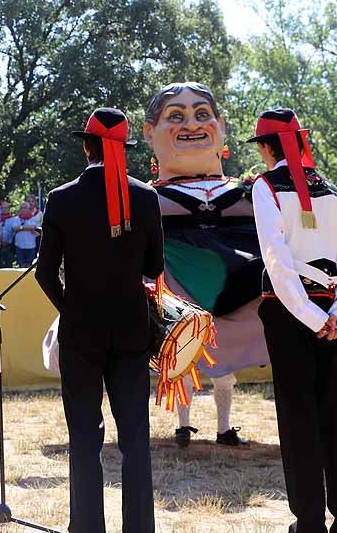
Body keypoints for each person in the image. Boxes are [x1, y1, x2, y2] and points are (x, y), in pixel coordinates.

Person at [36, 107, 164, 533]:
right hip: (131, 330)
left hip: (81, 332)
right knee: (135, 440)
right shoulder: (145, 197)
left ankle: (87, 528)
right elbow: (155, 265)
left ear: (86, 147)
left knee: (84, 440)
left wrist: (69, 307)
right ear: (121, 151)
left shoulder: (61, 198)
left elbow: (44, 272)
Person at [248, 108, 337, 533]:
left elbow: (277, 261)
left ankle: (310, 521)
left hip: (290, 312)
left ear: (266, 147)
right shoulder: (333, 191)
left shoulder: (265, 188)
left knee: (297, 415)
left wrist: (314, 317)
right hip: (329, 313)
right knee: (331, 412)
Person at [143, 82, 256, 448]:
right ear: (150, 132)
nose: (191, 124)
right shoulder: (145, 196)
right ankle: (184, 423)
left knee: (224, 367)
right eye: (176, 116)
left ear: (221, 126)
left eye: (202, 114)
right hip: (172, 286)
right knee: (181, 357)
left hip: (241, 289)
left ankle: (224, 426)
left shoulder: (251, 193)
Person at [12, 202, 40, 268]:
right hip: (19, 245)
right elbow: (14, 228)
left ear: (29, 209)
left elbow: (35, 229)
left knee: (30, 266)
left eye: (25, 208)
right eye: (21, 208)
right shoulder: (16, 219)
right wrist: (27, 227)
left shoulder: (34, 219)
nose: (23, 209)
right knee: (21, 265)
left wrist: (21, 227)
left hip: (31, 246)